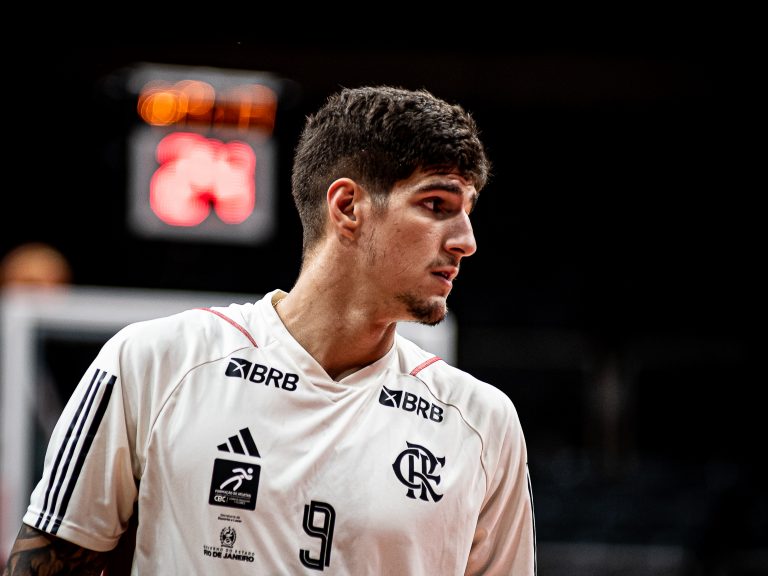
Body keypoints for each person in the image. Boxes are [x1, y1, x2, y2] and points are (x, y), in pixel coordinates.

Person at [2, 85, 537, 575]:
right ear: (348, 206)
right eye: (436, 205)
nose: (466, 240)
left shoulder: (483, 423)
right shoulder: (157, 361)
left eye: (467, 211)